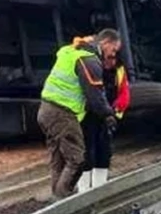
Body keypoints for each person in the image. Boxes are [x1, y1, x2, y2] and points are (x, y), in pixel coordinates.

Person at [37, 29, 120, 199]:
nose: (114, 54)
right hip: (62, 113)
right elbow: (95, 98)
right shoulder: (89, 60)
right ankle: (64, 202)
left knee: (58, 161)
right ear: (105, 43)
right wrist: (108, 114)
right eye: (114, 50)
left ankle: (57, 202)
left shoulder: (71, 51)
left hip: (45, 110)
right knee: (77, 159)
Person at [77, 50, 130, 192]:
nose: (111, 62)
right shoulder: (92, 67)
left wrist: (114, 114)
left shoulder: (119, 70)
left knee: (104, 152)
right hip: (88, 115)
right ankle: (83, 191)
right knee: (86, 152)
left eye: (114, 59)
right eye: (109, 58)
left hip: (107, 116)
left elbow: (124, 95)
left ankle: (100, 189)